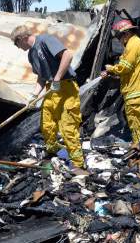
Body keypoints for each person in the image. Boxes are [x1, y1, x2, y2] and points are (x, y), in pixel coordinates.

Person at [10, 25, 88, 176]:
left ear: (22, 38)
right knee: (47, 125)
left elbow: (67, 55)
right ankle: (56, 151)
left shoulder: (46, 40)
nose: (17, 47)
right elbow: (41, 76)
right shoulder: (31, 55)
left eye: (16, 43)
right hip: (51, 90)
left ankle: (78, 165)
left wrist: (57, 78)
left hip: (66, 88)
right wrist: (33, 95)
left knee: (68, 127)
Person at [101, 19, 140, 151]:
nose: (120, 40)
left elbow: (125, 67)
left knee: (135, 122)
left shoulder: (132, 45)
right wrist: (113, 74)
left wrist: (110, 68)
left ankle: (139, 149)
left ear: (126, 33)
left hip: (134, 92)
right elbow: (133, 69)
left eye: (119, 37)